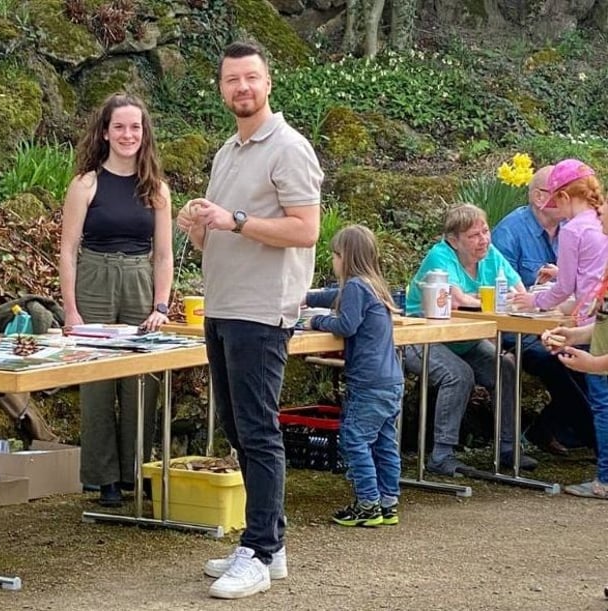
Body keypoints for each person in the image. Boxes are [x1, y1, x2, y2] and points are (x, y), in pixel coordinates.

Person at [176, 40, 322, 600]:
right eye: (232, 79)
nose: (242, 87)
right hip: (222, 306)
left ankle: (260, 551)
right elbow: (224, 231)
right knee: (238, 429)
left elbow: (306, 229)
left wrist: (234, 220)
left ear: (268, 84)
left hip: (263, 311)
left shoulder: (288, 148)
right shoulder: (226, 153)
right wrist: (199, 223)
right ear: (221, 89)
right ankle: (270, 545)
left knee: (258, 431)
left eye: (251, 78)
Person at [58, 93, 173, 508]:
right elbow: (68, 250)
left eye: (135, 127)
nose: (128, 135)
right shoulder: (85, 184)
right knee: (98, 382)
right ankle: (103, 477)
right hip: (95, 278)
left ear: (145, 134)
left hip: (139, 280)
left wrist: (161, 305)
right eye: (120, 127)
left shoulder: (156, 188)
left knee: (141, 380)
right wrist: (71, 310)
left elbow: (163, 254)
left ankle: (136, 471)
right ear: (105, 132)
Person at [403, 204, 538, 476]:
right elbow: (458, 301)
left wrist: (509, 299)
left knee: (506, 366)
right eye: (474, 235)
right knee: (459, 374)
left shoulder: (491, 255)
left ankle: (508, 448)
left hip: (465, 338)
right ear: (453, 240)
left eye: (485, 231)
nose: (484, 240)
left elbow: (520, 292)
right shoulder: (440, 257)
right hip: (422, 338)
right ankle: (441, 455)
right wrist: (490, 301)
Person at [305, 225, 404, 528]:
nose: (333, 261)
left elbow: (346, 324)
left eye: (335, 255)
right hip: (391, 381)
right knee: (385, 443)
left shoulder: (356, 287)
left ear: (345, 258)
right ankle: (388, 502)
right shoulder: (374, 285)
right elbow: (336, 297)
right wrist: (307, 297)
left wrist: (317, 321)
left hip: (368, 383)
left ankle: (367, 504)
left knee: (355, 440)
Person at [492, 165, 593, 454]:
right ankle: (597, 441)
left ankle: (549, 428)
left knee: (592, 351)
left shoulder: (571, 230)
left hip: (563, 321)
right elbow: (502, 289)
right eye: (561, 193)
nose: (567, 198)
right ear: (539, 197)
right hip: (519, 329)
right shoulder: (510, 232)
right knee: (555, 358)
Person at [535, 159, 608, 499]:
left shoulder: (575, 230)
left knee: (601, 403)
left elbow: (564, 288)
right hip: (595, 317)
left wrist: (529, 302)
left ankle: (604, 478)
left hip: (592, 321)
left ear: (564, 196)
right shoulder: (594, 223)